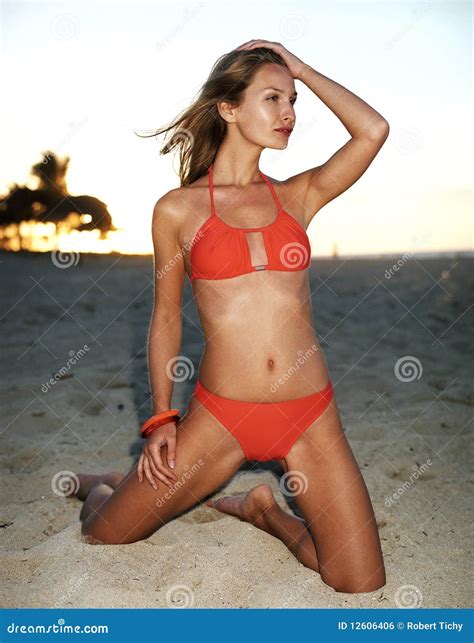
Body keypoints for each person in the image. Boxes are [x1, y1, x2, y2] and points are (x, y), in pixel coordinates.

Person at [75, 40, 390, 594]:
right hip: (221, 418)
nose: (289, 112)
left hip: (309, 415)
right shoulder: (177, 209)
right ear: (228, 107)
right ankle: (101, 486)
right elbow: (165, 318)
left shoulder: (298, 197)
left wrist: (301, 68)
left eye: (292, 100)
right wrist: (160, 420)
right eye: (272, 98)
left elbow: (373, 131)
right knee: (104, 534)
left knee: (358, 581)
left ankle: (265, 512)